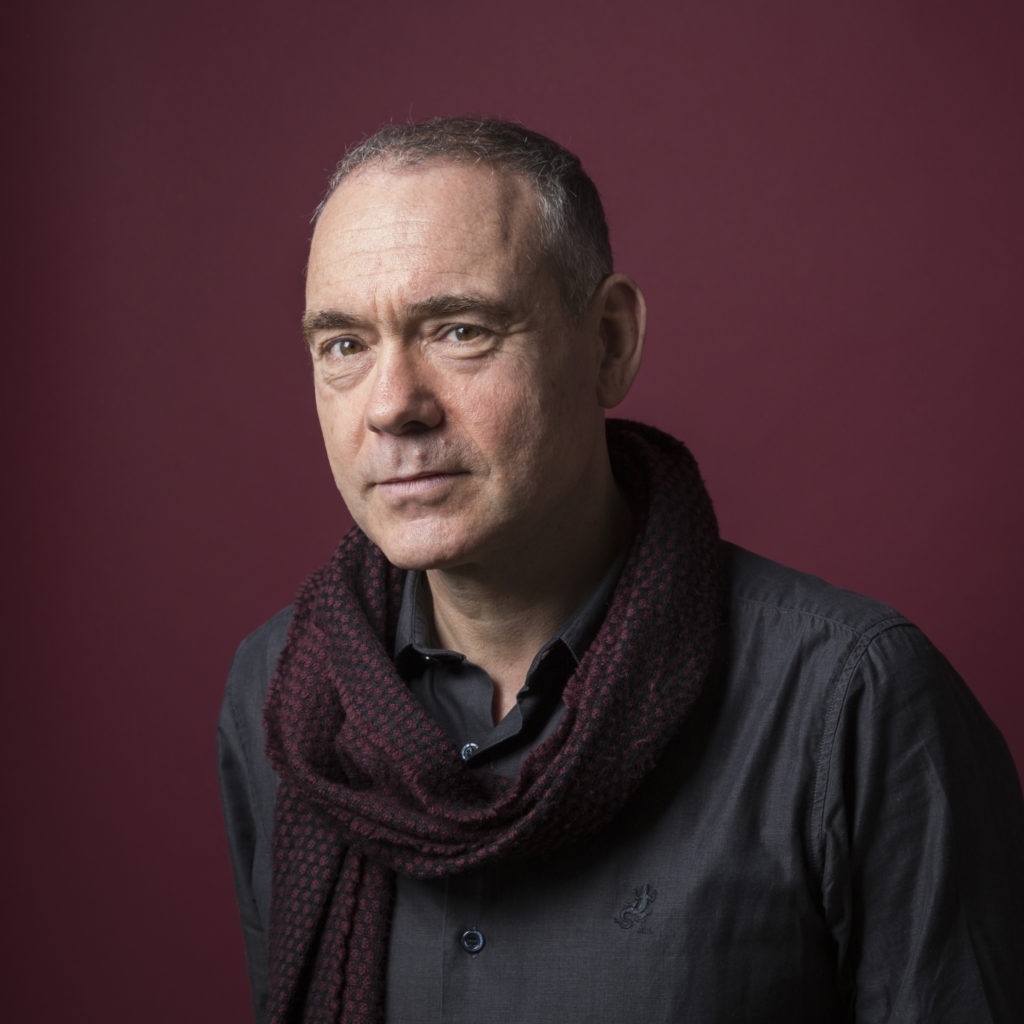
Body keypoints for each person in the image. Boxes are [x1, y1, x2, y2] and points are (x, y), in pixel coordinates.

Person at [218, 117, 1024, 1024]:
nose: (392, 406)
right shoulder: (285, 697)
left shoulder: (854, 701)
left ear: (609, 342)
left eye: (459, 330)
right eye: (344, 346)